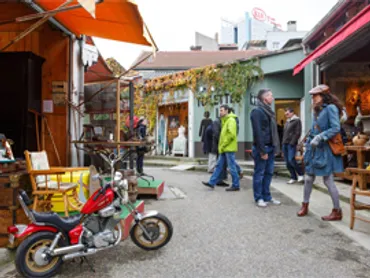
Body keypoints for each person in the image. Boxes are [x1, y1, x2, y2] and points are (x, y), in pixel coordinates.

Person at [297, 84, 344, 221]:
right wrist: (306, 140)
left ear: (324, 96)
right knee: (308, 178)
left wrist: (320, 137)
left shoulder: (331, 108)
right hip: (313, 149)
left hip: (324, 149)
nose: (312, 98)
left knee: (328, 180)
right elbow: (314, 128)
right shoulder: (316, 110)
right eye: (312, 96)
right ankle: (305, 205)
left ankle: (337, 210)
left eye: (315, 96)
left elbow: (336, 128)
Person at [250, 88, 281, 207]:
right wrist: (262, 150)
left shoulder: (269, 111)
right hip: (262, 148)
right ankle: (258, 198)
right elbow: (257, 132)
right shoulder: (257, 112)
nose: (272, 98)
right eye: (271, 96)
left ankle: (267, 196)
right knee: (259, 173)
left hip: (271, 147)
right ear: (264, 98)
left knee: (268, 173)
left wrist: (275, 147)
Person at [202, 104, 240, 191]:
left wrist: (223, 144)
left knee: (232, 167)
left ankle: (236, 185)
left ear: (227, 111)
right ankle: (211, 182)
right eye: (220, 110)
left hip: (228, 148)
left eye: (222, 110)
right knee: (219, 165)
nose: (220, 112)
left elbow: (231, 135)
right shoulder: (225, 120)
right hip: (224, 148)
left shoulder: (231, 120)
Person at [282, 107, 304, 184]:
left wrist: (292, 142)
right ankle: (293, 177)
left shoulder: (297, 120)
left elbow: (298, 132)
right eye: (285, 114)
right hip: (285, 144)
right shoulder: (287, 121)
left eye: (287, 113)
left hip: (291, 144)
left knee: (291, 160)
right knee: (287, 162)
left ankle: (301, 174)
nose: (286, 115)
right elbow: (285, 133)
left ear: (292, 113)